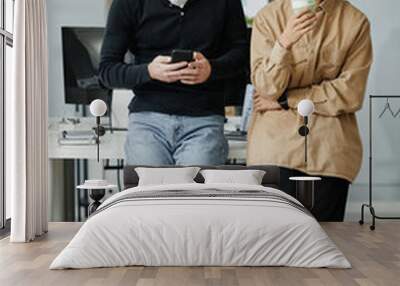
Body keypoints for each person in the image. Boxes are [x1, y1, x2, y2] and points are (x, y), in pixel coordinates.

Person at [248, 0, 373, 221]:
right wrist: (284, 42)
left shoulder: (355, 21)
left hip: (329, 150)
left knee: (325, 240)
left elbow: (351, 93)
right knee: (273, 240)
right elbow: (266, 88)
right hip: (276, 148)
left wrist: (288, 99)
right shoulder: (269, 16)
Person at [99, 0, 248, 166]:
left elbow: (242, 55)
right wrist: (149, 71)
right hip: (148, 120)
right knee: (149, 190)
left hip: (204, 120)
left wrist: (212, 69)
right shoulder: (128, 4)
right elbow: (107, 71)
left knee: (195, 190)